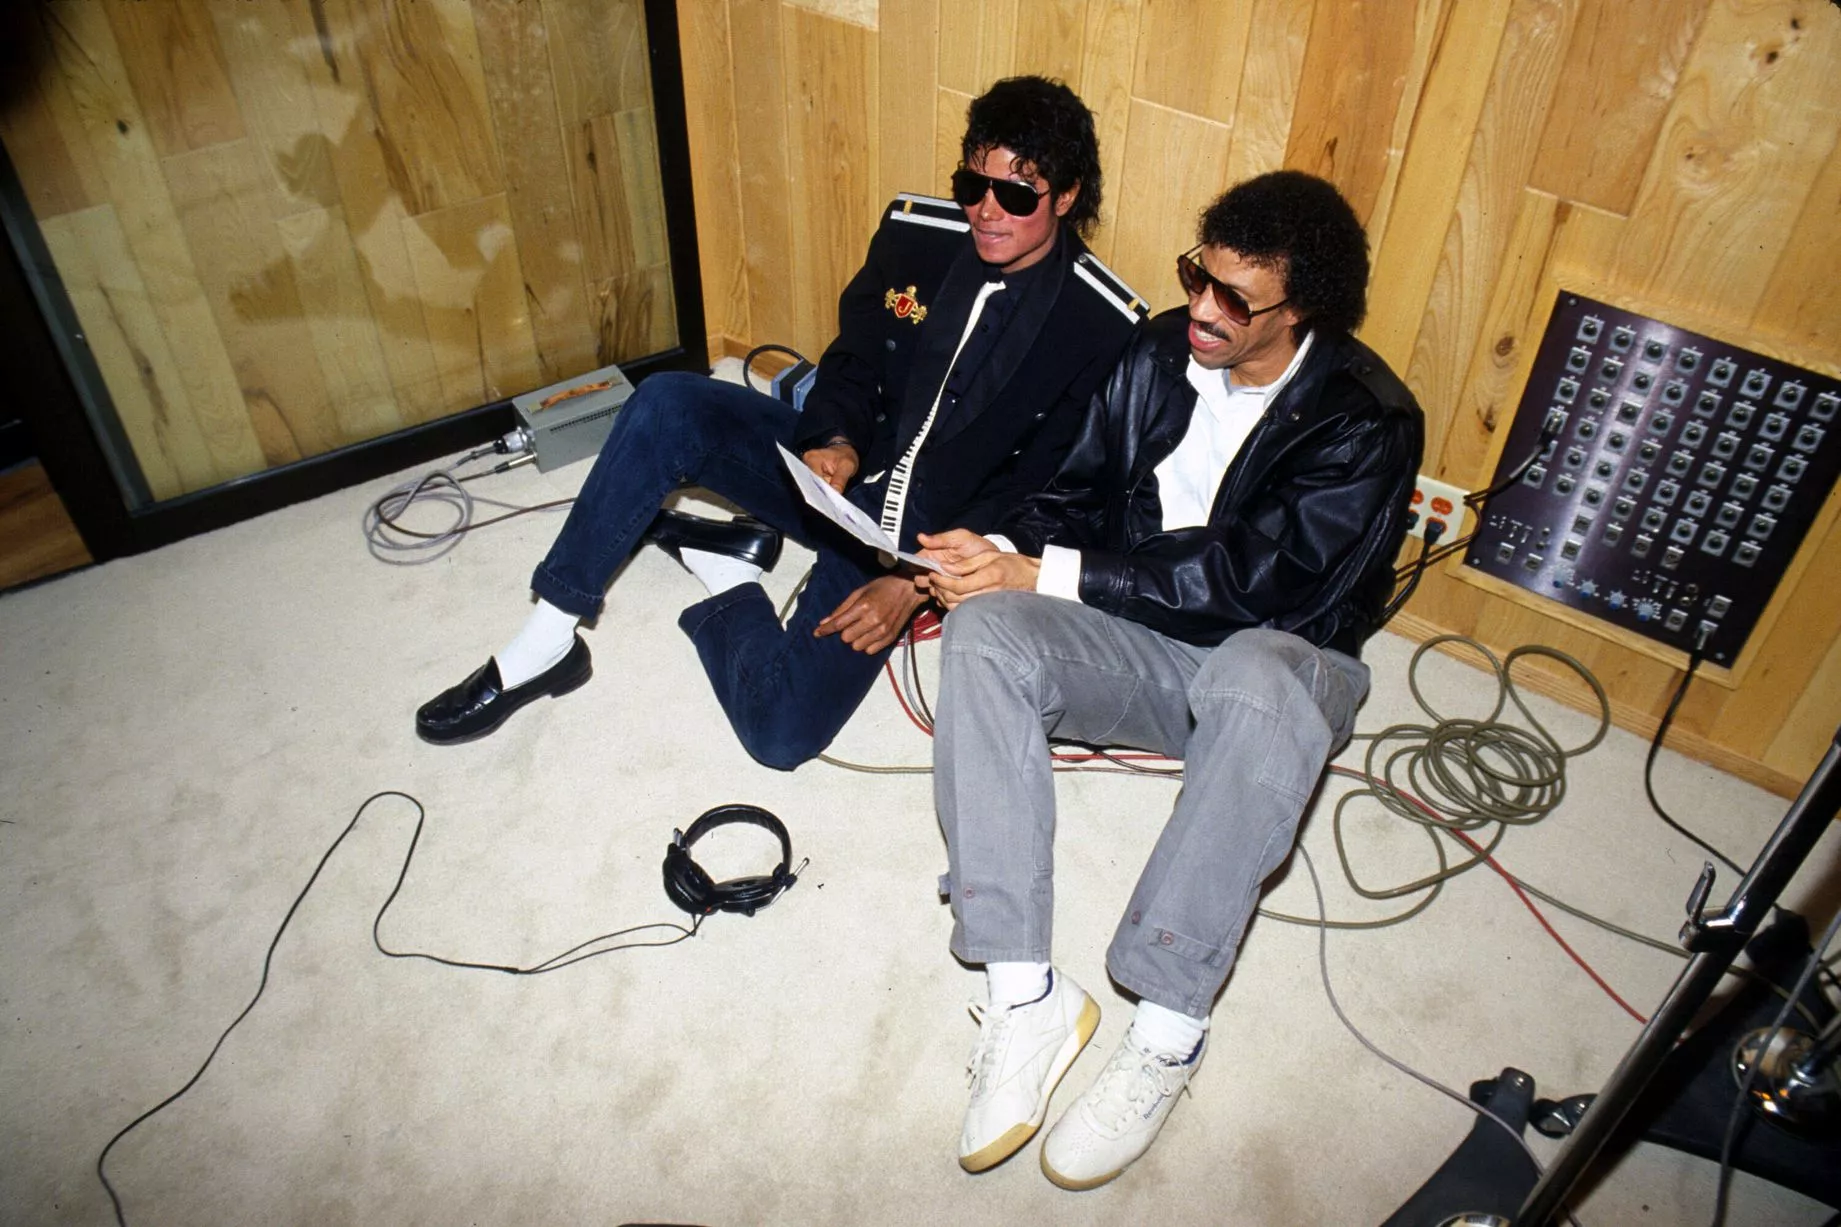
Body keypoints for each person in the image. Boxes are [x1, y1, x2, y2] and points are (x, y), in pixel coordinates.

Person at [916, 170, 1424, 1188]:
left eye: (1234, 297)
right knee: (983, 634)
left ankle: (1165, 1032)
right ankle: (1023, 996)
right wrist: (1001, 556)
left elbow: (1255, 587)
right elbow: (1070, 498)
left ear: (1300, 310)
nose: (1201, 307)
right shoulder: (1156, 352)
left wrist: (1048, 573)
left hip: (1282, 656)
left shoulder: (1364, 418)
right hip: (1147, 643)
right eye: (1199, 276)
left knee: (1252, 678)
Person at [415, 76, 1146, 768]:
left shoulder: (1100, 327)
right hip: (838, 485)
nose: (984, 210)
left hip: (919, 544)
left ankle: (727, 573)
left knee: (779, 731)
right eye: (971, 185)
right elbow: (854, 360)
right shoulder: (916, 236)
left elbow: (1048, 492)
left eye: (1014, 193)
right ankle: (548, 637)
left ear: (1066, 196)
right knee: (669, 402)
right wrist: (835, 439)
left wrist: (916, 585)